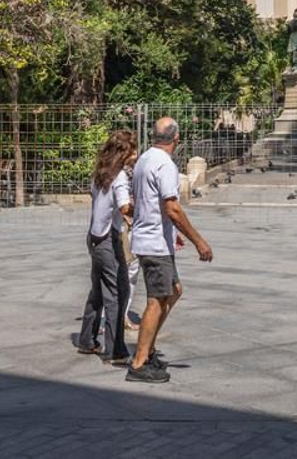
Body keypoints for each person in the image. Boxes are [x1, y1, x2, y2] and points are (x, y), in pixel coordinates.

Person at [126, 117, 212, 385]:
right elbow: (172, 208)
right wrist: (199, 241)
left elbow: (148, 202)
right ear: (176, 138)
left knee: (173, 291)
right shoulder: (165, 164)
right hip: (154, 244)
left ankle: (148, 348)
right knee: (157, 300)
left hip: (152, 238)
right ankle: (139, 362)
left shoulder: (145, 159)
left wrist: (173, 234)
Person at [76, 130, 136, 365]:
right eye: (133, 150)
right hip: (108, 240)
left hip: (94, 237)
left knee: (98, 292)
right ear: (123, 152)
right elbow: (124, 206)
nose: (136, 154)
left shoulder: (100, 173)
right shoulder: (119, 177)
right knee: (118, 292)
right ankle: (115, 350)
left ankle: (86, 340)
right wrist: (141, 209)